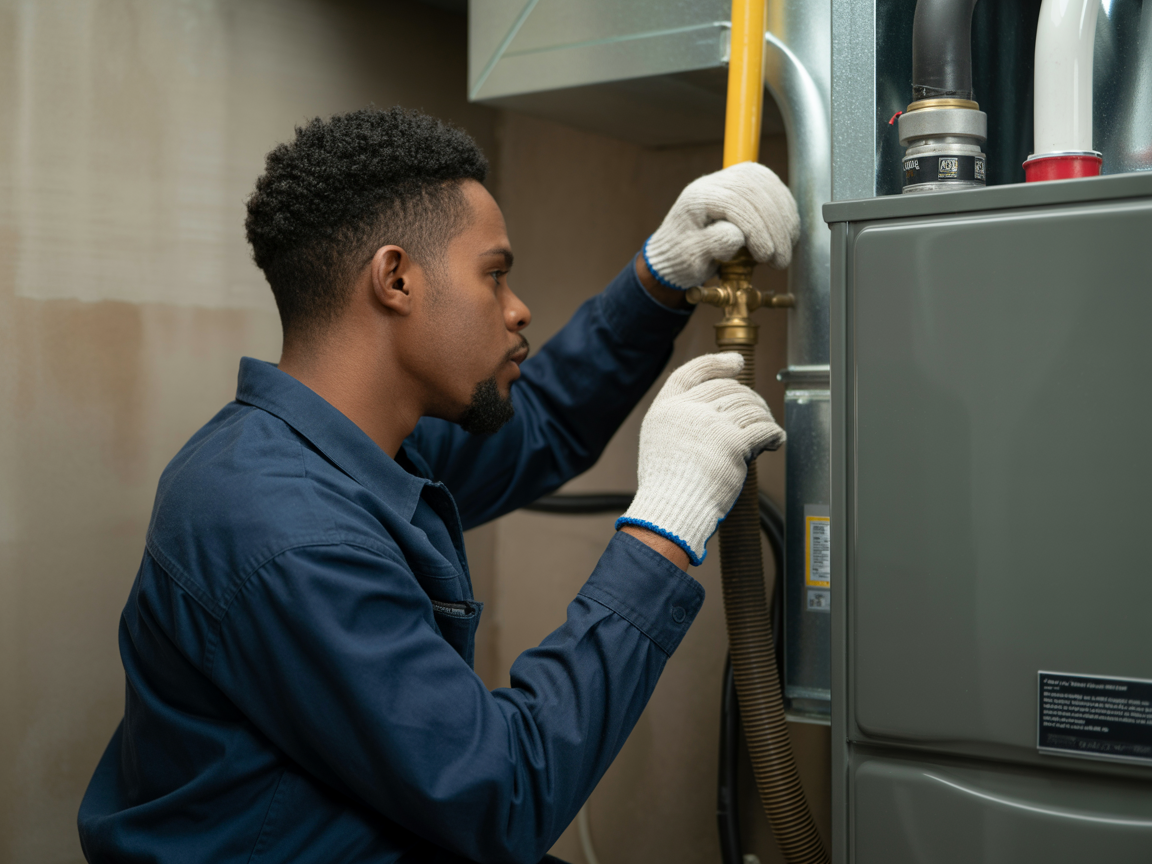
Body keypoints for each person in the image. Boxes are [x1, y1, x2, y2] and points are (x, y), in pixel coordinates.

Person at [77, 107, 799, 864]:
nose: (518, 308)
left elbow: (543, 422)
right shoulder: (286, 526)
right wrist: (665, 528)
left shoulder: (351, 450)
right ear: (396, 279)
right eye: (495, 274)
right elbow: (503, 793)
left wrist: (660, 275)